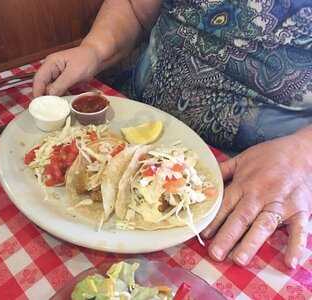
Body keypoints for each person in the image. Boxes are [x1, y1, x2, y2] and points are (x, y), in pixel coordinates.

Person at [33, 0, 312, 269]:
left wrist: (302, 153)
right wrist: (95, 49)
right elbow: (135, 8)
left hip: (264, 183)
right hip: (133, 129)